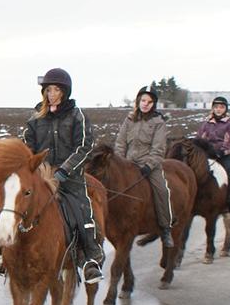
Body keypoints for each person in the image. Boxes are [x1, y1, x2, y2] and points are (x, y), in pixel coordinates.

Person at [21, 68, 105, 284]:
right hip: (41, 176)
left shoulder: (77, 116)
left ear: (64, 92)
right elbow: (27, 146)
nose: (51, 93)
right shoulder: (36, 117)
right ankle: (6, 254)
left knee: (81, 209)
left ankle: (89, 259)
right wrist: (33, 168)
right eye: (48, 89)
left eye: (56, 89)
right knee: (15, 205)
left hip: (70, 177)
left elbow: (85, 146)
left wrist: (65, 170)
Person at [114, 86, 175, 247]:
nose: (145, 104)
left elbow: (159, 148)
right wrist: (120, 162)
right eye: (143, 100)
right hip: (128, 164)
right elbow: (120, 143)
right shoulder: (129, 119)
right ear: (138, 101)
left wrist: (148, 165)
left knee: (161, 190)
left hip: (148, 166)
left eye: (149, 102)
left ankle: (165, 227)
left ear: (153, 104)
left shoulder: (158, 122)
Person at [196, 95, 230, 214]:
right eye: (216, 107)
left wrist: (223, 151)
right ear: (213, 108)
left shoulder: (229, 125)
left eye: (221, 107)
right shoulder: (206, 124)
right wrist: (202, 150)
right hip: (207, 153)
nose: (218, 109)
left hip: (222, 154)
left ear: (225, 109)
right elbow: (200, 138)